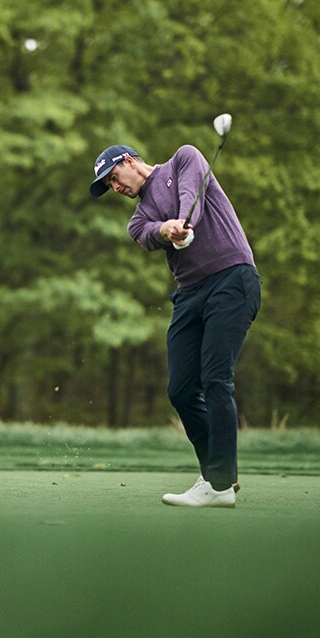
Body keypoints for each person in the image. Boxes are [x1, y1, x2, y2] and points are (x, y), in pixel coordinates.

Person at [90, 142, 261, 508]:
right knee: (181, 390)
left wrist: (185, 222)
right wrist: (168, 229)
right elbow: (150, 233)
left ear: (130, 161)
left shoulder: (184, 158)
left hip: (232, 279)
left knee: (216, 379)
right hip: (190, 293)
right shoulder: (137, 220)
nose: (115, 188)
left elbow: (191, 196)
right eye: (108, 186)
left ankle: (219, 482)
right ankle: (216, 478)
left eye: (114, 178)